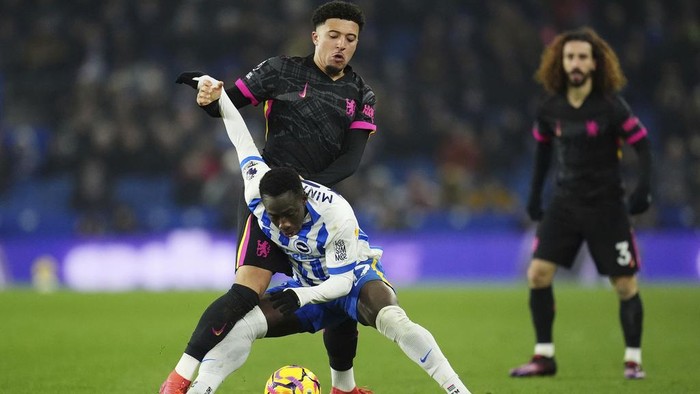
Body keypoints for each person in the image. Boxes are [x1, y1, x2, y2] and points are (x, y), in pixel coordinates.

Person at [185, 81, 471, 394]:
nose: (283, 224)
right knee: (240, 328)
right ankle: (200, 390)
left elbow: (341, 284)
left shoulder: (337, 214)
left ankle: (457, 390)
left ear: (303, 198)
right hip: (308, 284)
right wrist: (218, 94)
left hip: (354, 279)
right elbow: (241, 138)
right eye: (275, 216)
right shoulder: (257, 186)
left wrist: (299, 297)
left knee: (393, 319)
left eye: (290, 214)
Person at [161, 2, 377, 394]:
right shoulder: (280, 70)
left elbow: (350, 160)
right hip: (271, 206)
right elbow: (228, 103)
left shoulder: (361, 93)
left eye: (350, 39)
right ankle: (179, 378)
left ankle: (344, 388)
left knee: (341, 297)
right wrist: (209, 96)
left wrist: (308, 191)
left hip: (319, 212)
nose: (341, 45)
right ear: (316, 36)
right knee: (246, 292)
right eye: (334, 35)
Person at [509, 27, 652, 380]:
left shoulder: (611, 106)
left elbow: (643, 144)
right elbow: (542, 152)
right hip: (565, 202)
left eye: (583, 57)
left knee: (624, 284)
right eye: (570, 56)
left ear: (595, 63)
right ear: (561, 62)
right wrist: (533, 195)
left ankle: (633, 360)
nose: (576, 63)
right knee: (538, 274)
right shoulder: (550, 106)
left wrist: (643, 189)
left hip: (607, 205)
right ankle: (544, 356)